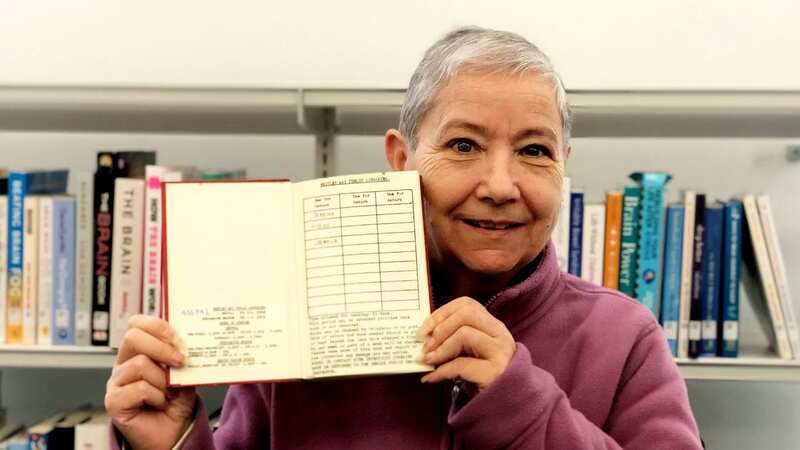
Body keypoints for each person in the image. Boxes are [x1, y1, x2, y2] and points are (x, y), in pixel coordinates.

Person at [105, 26, 703, 449]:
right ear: (401, 159)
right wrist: (173, 444)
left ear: (563, 165)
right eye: (464, 145)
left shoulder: (624, 339)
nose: (500, 185)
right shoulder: (299, 324)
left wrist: (517, 399)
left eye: (533, 150)